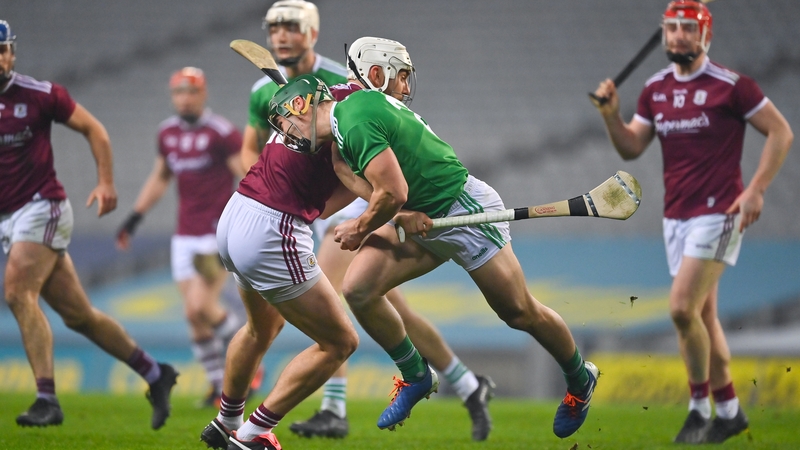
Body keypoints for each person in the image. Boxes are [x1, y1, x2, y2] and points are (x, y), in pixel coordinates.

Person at [267, 73, 600, 436]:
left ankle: (580, 379)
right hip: (422, 219)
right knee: (359, 289)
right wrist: (399, 216)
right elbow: (344, 170)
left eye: (286, 126)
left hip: (462, 210)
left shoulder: (354, 120)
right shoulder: (342, 129)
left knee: (519, 312)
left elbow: (392, 191)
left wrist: (361, 226)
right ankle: (416, 375)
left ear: (302, 107)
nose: (287, 137)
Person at [591, 1, 792, 444]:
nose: (678, 36)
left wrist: (756, 188)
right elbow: (631, 148)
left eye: (687, 28)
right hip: (676, 217)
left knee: (681, 308)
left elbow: (781, 132)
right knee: (703, 318)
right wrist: (610, 116)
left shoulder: (732, 86)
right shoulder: (655, 89)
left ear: (706, 35)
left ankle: (699, 409)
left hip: (720, 212)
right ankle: (732, 412)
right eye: (672, 29)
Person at [288, 37, 496, 442]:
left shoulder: (347, 96)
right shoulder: (332, 95)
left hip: (362, 209)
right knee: (390, 310)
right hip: (364, 203)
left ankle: (334, 407)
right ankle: (469, 385)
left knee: (332, 297)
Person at [0, 19, 177, 430]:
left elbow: (94, 129)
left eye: (4, 49)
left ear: (12, 52)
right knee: (80, 316)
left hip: (43, 207)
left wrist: (106, 182)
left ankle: (47, 398)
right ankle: (156, 373)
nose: (1, 57)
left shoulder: (40, 94)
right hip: (10, 217)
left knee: (17, 292)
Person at [116, 67, 246, 408]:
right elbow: (160, 177)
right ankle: (219, 387)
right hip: (184, 236)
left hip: (215, 234)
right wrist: (133, 218)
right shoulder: (167, 133)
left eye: (191, 92)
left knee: (200, 305)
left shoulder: (222, 133)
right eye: (179, 93)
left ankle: (250, 351)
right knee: (193, 316)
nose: (185, 98)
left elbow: (247, 174)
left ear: (203, 95)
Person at [241, 0, 347, 170]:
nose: (281, 38)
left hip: (339, 183)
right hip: (289, 187)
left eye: (291, 29)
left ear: (312, 33)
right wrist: (266, 191)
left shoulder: (343, 81)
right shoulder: (262, 91)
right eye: (274, 30)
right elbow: (251, 150)